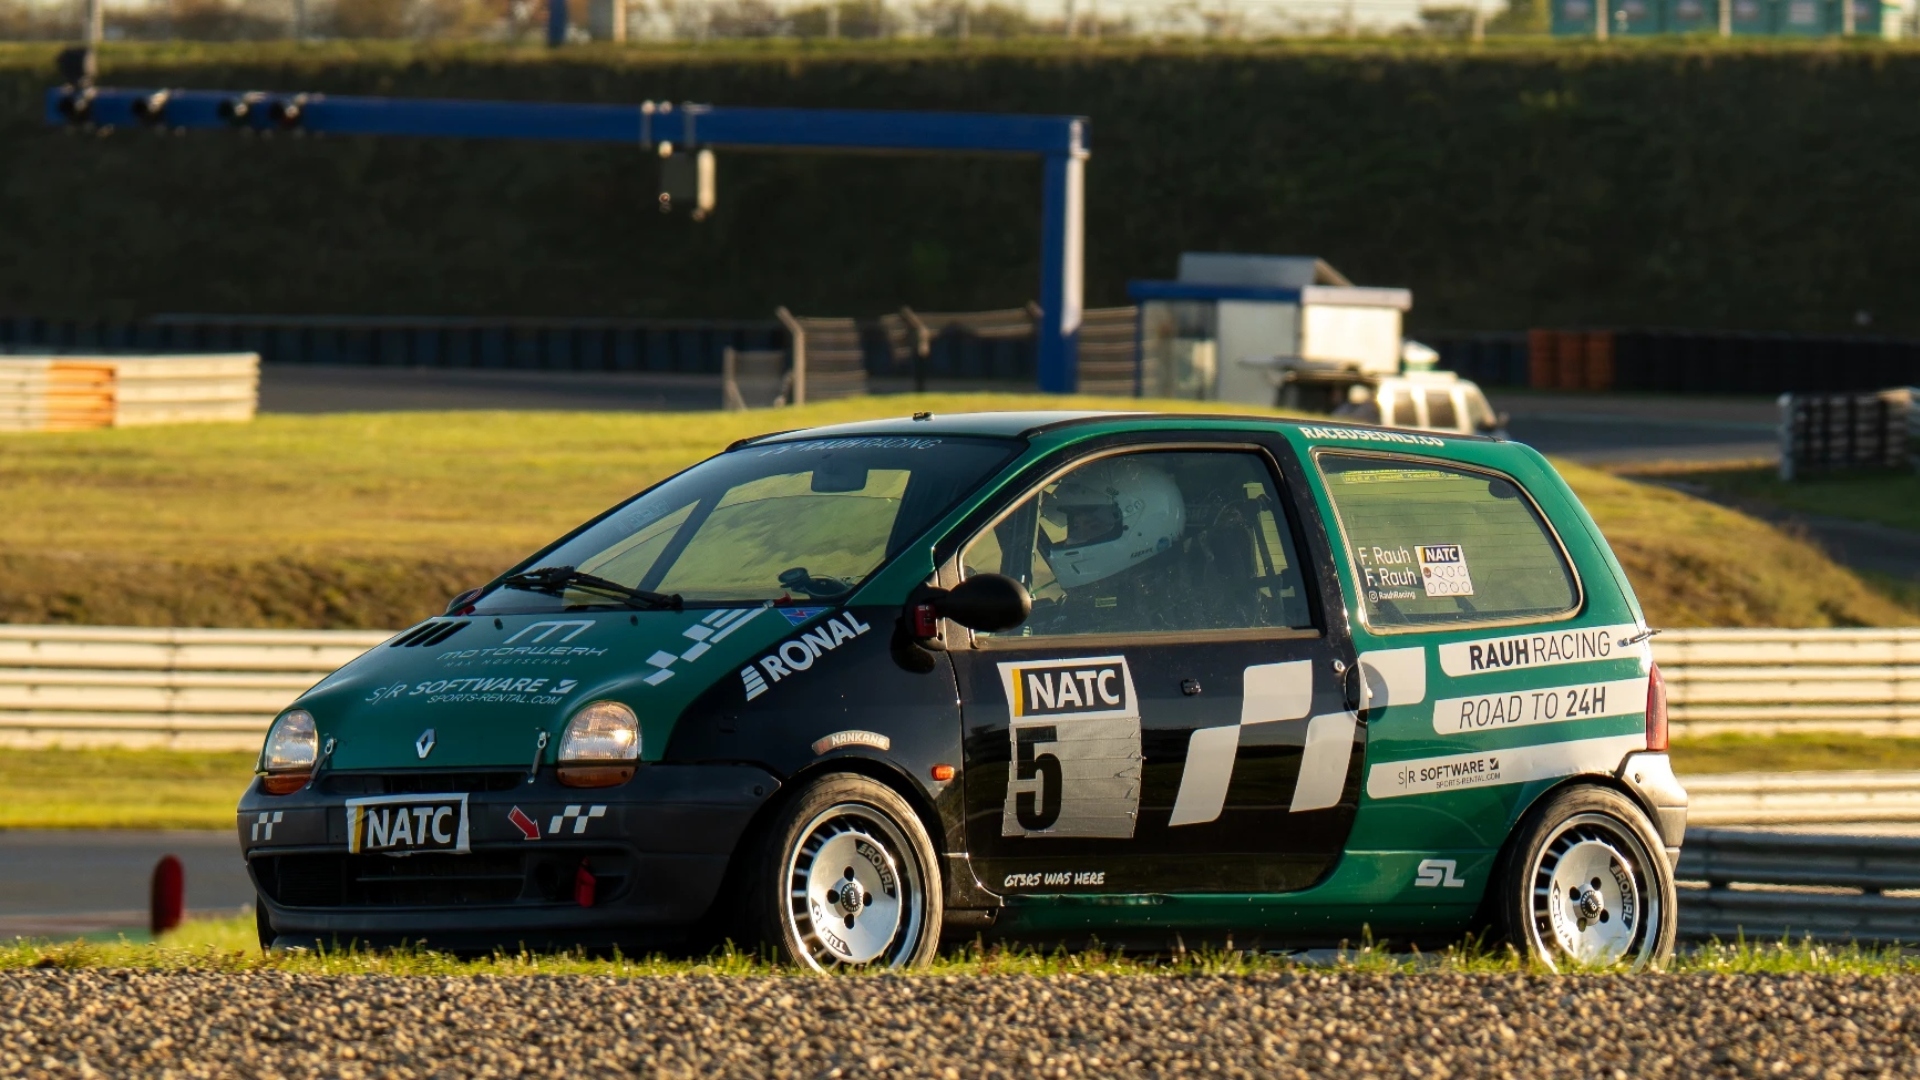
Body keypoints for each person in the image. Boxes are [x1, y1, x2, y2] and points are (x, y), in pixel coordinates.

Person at [1028, 459, 1188, 634]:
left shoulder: (1150, 622)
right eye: (1074, 528)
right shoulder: (1092, 607)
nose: (1070, 543)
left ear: (1141, 531)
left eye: (1092, 526)